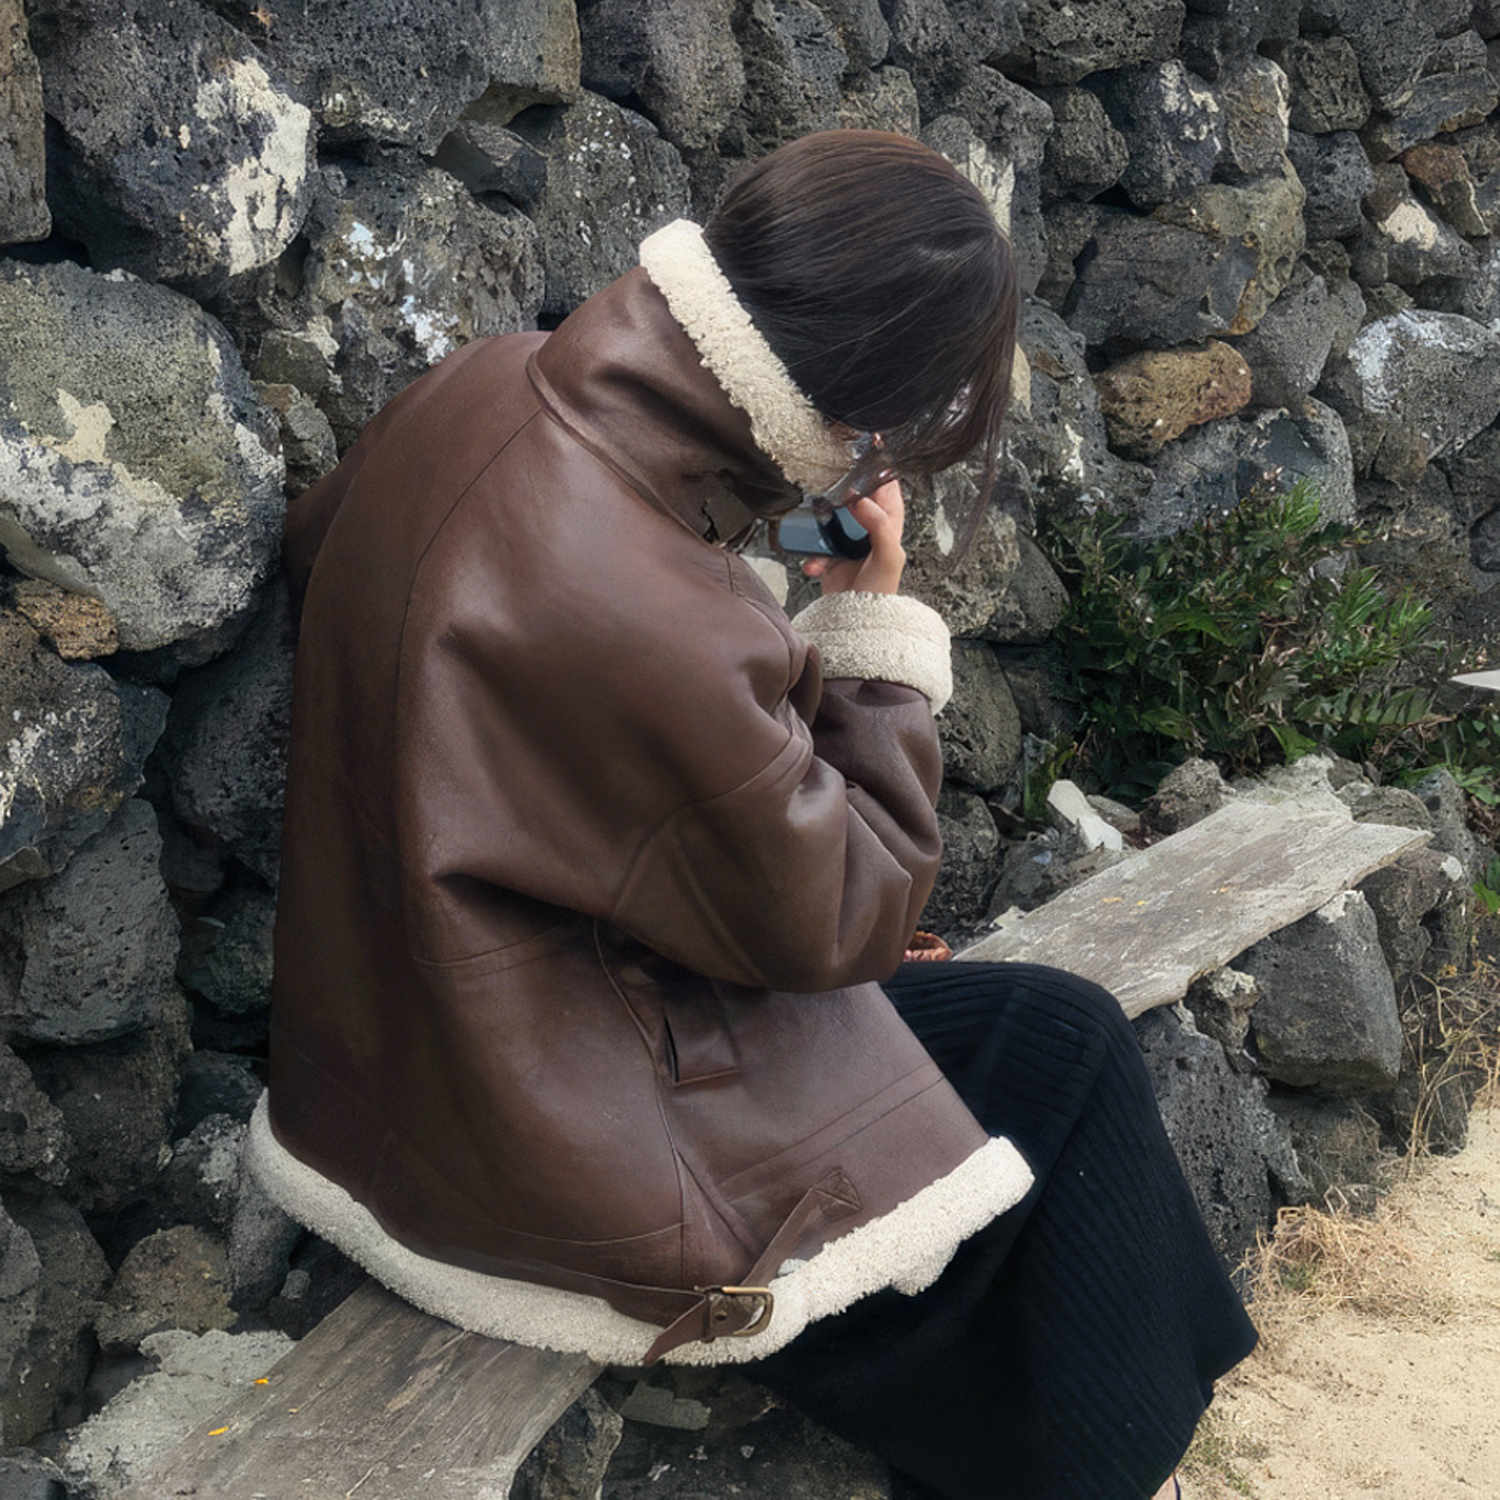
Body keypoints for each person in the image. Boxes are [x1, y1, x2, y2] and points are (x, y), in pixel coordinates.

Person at [249, 129, 1256, 1499]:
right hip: (550, 1151)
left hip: (408, 1059)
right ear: (870, 416)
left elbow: (341, 563)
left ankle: (1124, 1432)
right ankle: (1108, 1460)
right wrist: (868, 626)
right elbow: (854, 911)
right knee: (1056, 1070)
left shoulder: (479, 388)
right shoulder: (657, 602)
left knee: (1038, 1036)